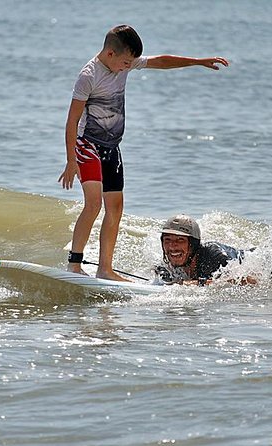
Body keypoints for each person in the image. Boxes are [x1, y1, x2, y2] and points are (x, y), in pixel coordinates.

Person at [58, 25, 229, 281]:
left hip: (112, 147)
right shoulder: (88, 76)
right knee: (93, 204)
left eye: (132, 62)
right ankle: (74, 265)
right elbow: (71, 120)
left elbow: (161, 61)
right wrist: (71, 160)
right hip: (87, 145)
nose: (129, 67)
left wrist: (198, 62)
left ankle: (105, 269)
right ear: (110, 53)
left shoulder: (124, 63)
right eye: (126, 62)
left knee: (115, 207)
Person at [155, 215, 257, 286]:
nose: (172, 246)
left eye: (180, 240)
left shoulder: (215, 256)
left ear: (193, 244)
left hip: (261, 258)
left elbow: (250, 280)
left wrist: (194, 283)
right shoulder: (165, 268)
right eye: (167, 240)